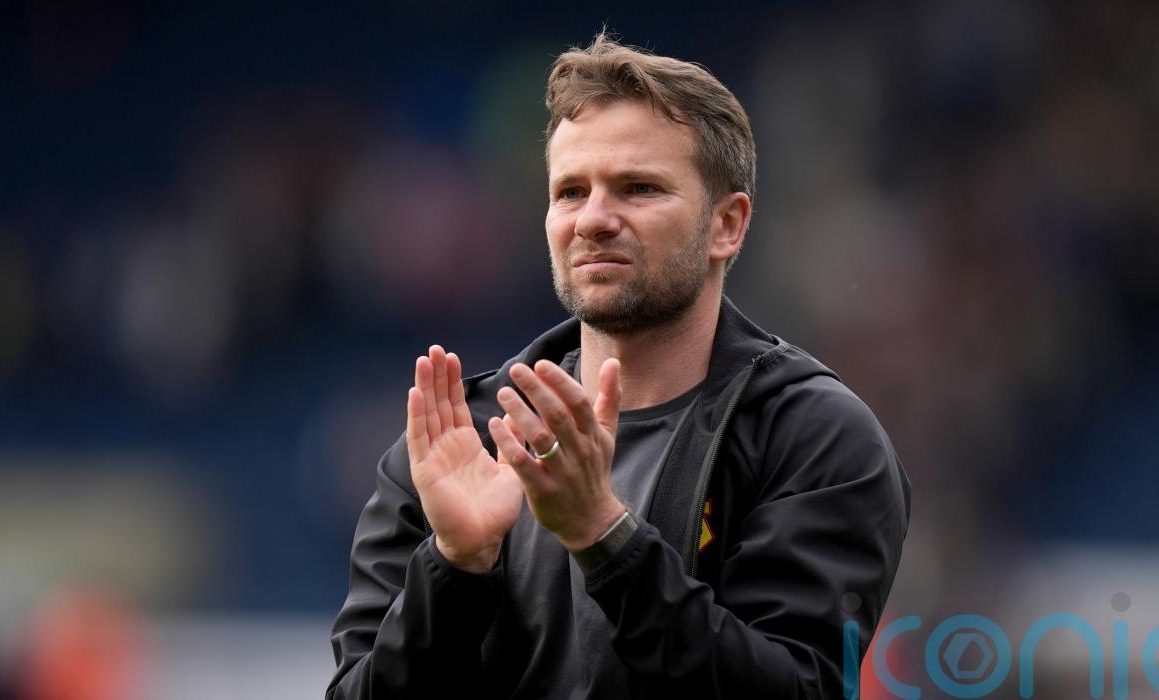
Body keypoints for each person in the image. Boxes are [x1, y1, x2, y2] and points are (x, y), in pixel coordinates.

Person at [327, 33, 910, 699]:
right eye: (571, 191)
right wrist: (455, 568)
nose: (594, 220)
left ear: (727, 225)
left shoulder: (813, 437)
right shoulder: (464, 444)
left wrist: (604, 537)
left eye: (638, 188)